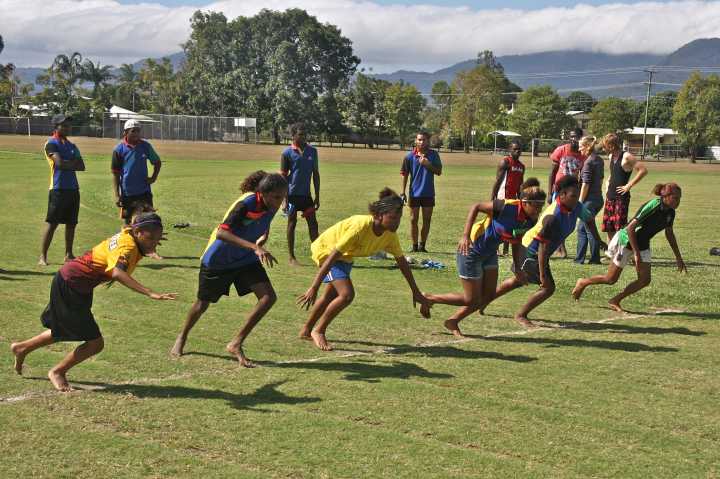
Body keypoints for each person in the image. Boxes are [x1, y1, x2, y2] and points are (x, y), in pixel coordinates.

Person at [12, 212, 176, 392]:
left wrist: (150, 237)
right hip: (72, 284)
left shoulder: (130, 235)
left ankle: (23, 348)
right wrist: (150, 293)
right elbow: (117, 273)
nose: (153, 243)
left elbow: (136, 233)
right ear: (137, 232)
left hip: (75, 284)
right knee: (95, 343)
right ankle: (57, 371)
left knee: (65, 328)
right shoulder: (127, 248)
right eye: (150, 238)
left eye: (157, 239)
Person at [171, 171, 287, 368]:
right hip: (219, 259)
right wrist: (255, 247)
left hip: (244, 259)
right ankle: (182, 336)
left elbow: (264, 222)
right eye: (277, 197)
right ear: (264, 193)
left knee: (268, 297)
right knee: (202, 304)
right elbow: (222, 233)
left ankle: (236, 343)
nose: (280, 202)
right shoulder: (246, 203)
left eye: (283, 197)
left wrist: (262, 237)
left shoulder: (272, 205)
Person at [297, 188, 431, 351]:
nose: (396, 222)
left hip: (345, 256)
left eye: (399, 218)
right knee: (346, 295)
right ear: (379, 215)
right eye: (392, 218)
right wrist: (314, 286)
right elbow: (333, 256)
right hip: (326, 251)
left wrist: (415, 292)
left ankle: (306, 330)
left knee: (331, 295)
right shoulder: (360, 227)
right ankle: (319, 330)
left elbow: (402, 263)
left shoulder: (390, 235)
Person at [424, 179, 546, 337]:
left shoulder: (531, 220)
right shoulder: (506, 206)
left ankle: (453, 321)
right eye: (536, 206)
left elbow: (516, 242)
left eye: (541, 206)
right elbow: (476, 206)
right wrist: (465, 236)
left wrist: (517, 267)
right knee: (471, 299)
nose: (539, 210)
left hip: (490, 254)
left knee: (488, 295)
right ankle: (431, 298)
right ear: (525, 202)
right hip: (471, 250)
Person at [487, 175, 607, 328]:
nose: (576, 199)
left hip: (538, 251)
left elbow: (589, 219)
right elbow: (542, 247)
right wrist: (543, 274)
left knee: (518, 281)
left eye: (577, 195)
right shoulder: (553, 215)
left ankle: (485, 300)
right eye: (572, 196)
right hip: (531, 250)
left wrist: (597, 240)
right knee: (548, 287)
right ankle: (520, 314)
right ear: (562, 195)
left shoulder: (576, 206)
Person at [572, 183, 685, 312]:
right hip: (626, 242)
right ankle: (583, 282)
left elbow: (669, 233)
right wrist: (636, 254)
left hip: (643, 244)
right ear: (665, 196)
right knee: (610, 279)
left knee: (644, 280)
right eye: (676, 198)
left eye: (680, 198)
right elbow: (631, 228)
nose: (678, 201)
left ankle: (616, 300)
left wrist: (678, 258)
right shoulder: (654, 205)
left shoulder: (670, 212)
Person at [39, 114, 85, 266]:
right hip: (58, 188)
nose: (67, 127)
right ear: (56, 126)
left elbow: (82, 166)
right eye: (63, 125)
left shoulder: (72, 146)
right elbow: (58, 163)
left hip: (73, 189)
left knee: (72, 223)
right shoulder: (51, 144)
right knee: (52, 223)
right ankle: (43, 257)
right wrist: (72, 163)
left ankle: (69, 254)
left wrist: (69, 163)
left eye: (68, 125)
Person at [281, 123, 320, 266]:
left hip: (306, 196)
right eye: (300, 134)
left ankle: (318, 255)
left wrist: (317, 196)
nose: (303, 137)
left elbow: (315, 174)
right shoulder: (286, 153)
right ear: (293, 135)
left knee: (313, 225)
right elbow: (283, 177)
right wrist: (284, 200)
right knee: (292, 224)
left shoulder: (313, 152)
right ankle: (291, 257)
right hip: (291, 196)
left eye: (305, 134)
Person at [112, 119, 162, 226]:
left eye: (138, 131)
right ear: (125, 132)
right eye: (133, 131)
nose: (136, 134)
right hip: (127, 194)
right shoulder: (118, 150)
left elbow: (157, 162)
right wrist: (117, 195)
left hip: (144, 193)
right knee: (129, 225)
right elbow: (115, 174)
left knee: (148, 223)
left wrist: (153, 178)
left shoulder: (145, 146)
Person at [601, 133, 648, 243]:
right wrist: (607, 184)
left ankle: (622, 253)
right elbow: (612, 174)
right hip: (610, 196)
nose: (603, 148)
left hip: (621, 198)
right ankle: (611, 252)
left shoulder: (626, 156)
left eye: (605, 146)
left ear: (611, 145)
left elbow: (643, 170)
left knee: (620, 227)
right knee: (609, 227)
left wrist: (629, 185)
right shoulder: (610, 156)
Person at [547, 127, 586, 258]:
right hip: (559, 191)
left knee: (568, 222)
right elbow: (552, 172)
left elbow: (583, 175)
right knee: (557, 219)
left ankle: (559, 246)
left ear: (581, 138)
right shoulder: (561, 150)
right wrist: (549, 192)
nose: (573, 139)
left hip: (572, 193)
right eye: (571, 136)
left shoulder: (583, 154)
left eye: (576, 136)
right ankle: (560, 248)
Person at [401, 131, 442, 252]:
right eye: (419, 139)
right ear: (415, 141)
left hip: (428, 193)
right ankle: (414, 247)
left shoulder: (434, 155)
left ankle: (422, 246)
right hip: (414, 193)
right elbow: (404, 174)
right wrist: (403, 192)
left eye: (424, 140)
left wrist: (427, 164)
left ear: (428, 141)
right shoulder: (409, 156)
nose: (421, 142)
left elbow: (438, 171)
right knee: (413, 220)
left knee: (427, 220)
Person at [490, 139, 526, 257]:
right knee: (498, 224)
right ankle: (495, 248)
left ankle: (506, 250)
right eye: (515, 149)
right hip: (501, 197)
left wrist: (521, 199)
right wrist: (492, 198)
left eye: (519, 149)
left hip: (513, 200)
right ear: (510, 150)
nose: (517, 151)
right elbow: (498, 180)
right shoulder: (505, 162)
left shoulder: (521, 166)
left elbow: (520, 184)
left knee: (509, 225)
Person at [575, 136, 604, 264]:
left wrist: (580, 202)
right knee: (582, 228)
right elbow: (601, 179)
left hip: (589, 201)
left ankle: (594, 259)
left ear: (587, 146)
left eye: (581, 146)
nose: (579, 149)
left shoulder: (588, 162)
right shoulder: (599, 160)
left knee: (588, 229)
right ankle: (580, 258)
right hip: (598, 199)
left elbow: (585, 184)